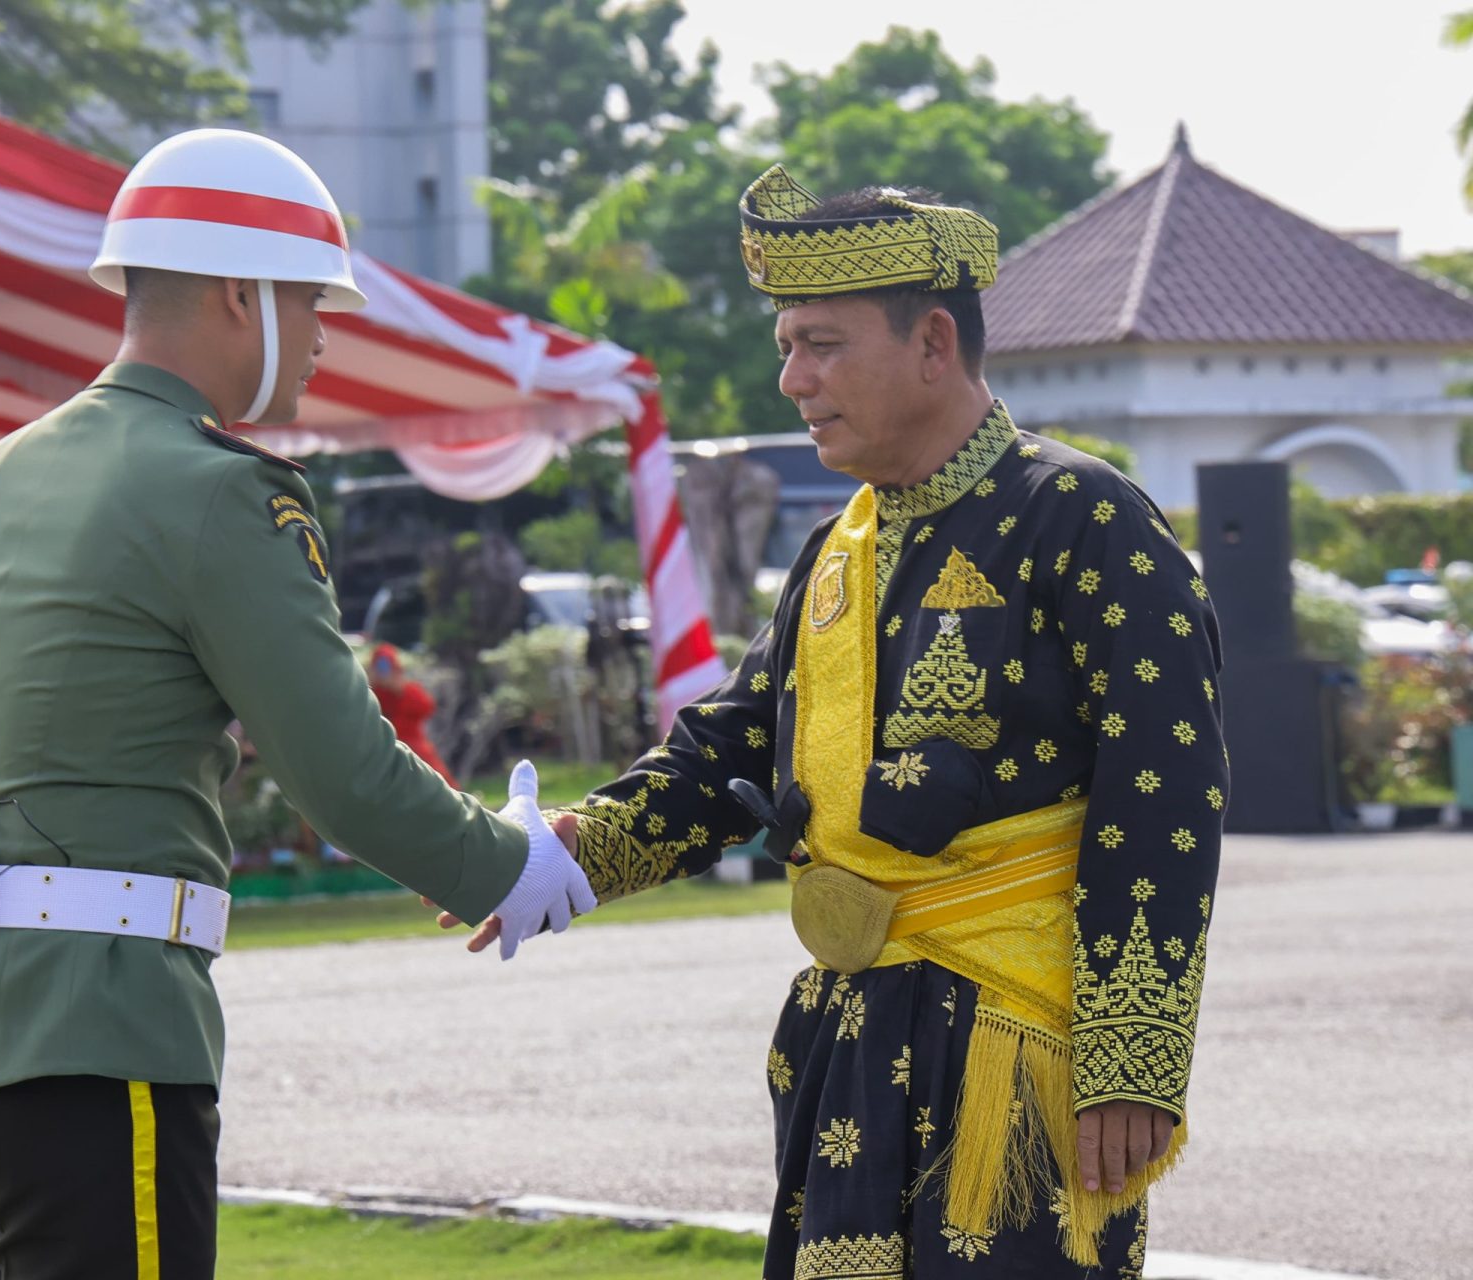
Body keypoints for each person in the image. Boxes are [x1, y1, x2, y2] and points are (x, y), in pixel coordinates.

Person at [446, 174, 1228, 1277]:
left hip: (1022, 1033)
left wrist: (1133, 1058)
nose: (791, 378)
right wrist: (577, 845)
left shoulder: (1085, 516)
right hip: (853, 1030)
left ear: (933, 342)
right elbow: (732, 748)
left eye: (819, 343)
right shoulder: (835, 550)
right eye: (786, 345)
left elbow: (1167, 791)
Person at [0, 127, 594, 1280]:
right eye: (310, 301)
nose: (321, 336)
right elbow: (343, 769)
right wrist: (506, 865)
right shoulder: (219, 489)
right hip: (98, 1044)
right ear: (236, 289)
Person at [366, 643, 456, 785]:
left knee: (436, 782)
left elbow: (427, 707)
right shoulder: (373, 693)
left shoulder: (407, 689)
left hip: (415, 748)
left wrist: (400, 689)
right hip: (386, 751)